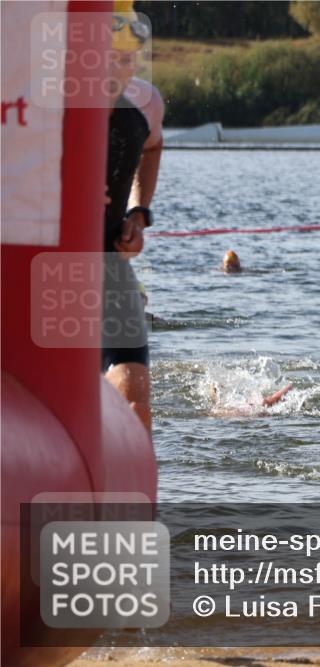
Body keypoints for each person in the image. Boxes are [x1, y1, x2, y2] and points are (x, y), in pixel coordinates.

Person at [102, 0, 163, 434]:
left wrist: (138, 213)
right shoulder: (44, 104)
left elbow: (153, 146)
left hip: (110, 263)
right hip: (46, 265)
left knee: (135, 390)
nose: (118, 70)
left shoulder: (144, 102)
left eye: (127, 60)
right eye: (109, 60)